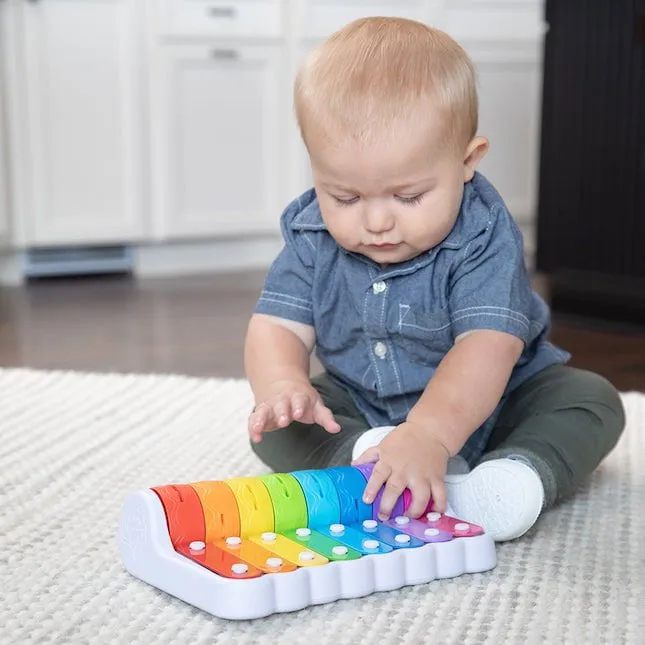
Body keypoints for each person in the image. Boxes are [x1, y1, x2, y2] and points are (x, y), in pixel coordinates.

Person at [243, 17, 625, 541]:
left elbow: (485, 347)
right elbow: (278, 326)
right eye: (346, 197)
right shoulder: (311, 233)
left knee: (592, 401)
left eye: (408, 197)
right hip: (364, 399)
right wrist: (282, 384)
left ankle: (513, 476)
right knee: (275, 426)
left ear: (467, 161)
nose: (376, 222)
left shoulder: (483, 235)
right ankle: (369, 457)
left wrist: (428, 433)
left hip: (502, 398)